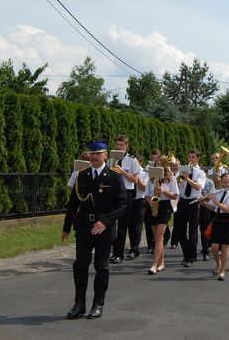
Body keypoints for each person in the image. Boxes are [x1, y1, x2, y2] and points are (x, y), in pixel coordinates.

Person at [62, 139, 127, 320]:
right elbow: (73, 204)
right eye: (92, 154)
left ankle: (98, 303)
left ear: (105, 155)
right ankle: (79, 303)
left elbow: (122, 203)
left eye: (98, 154)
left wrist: (105, 221)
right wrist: (66, 227)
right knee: (80, 265)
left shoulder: (114, 176)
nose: (94, 157)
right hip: (84, 228)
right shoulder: (81, 175)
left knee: (101, 267)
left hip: (103, 230)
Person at [110, 135, 143, 263]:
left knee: (123, 225)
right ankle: (114, 251)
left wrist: (122, 171)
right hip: (113, 193)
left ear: (126, 146)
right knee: (112, 223)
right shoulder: (111, 159)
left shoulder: (131, 160)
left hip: (126, 193)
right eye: (117, 145)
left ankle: (120, 254)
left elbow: (135, 179)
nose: (119, 147)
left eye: (122, 145)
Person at [172, 149, 206, 267]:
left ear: (198, 159)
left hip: (194, 202)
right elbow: (175, 184)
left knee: (192, 231)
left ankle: (191, 257)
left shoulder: (201, 172)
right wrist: (178, 177)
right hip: (182, 201)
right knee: (180, 230)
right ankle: (187, 254)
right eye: (189, 157)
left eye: (193, 157)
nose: (191, 159)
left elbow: (198, 187)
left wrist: (187, 178)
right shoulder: (183, 169)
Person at [202, 172, 229, 281]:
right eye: (225, 182)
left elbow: (227, 209)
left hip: (227, 220)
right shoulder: (218, 192)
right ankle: (218, 263)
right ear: (221, 183)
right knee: (214, 246)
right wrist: (204, 203)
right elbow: (214, 208)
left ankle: (222, 271)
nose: (227, 184)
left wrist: (214, 200)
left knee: (225, 247)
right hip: (217, 220)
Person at [146, 163, 178, 275]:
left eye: (160, 164)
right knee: (157, 237)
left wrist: (163, 191)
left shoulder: (171, 178)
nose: (158, 165)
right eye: (156, 164)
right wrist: (152, 204)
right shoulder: (151, 179)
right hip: (154, 206)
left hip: (165, 206)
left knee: (159, 237)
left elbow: (175, 196)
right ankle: (162, 262)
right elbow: (146, 195)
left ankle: (154, 265)